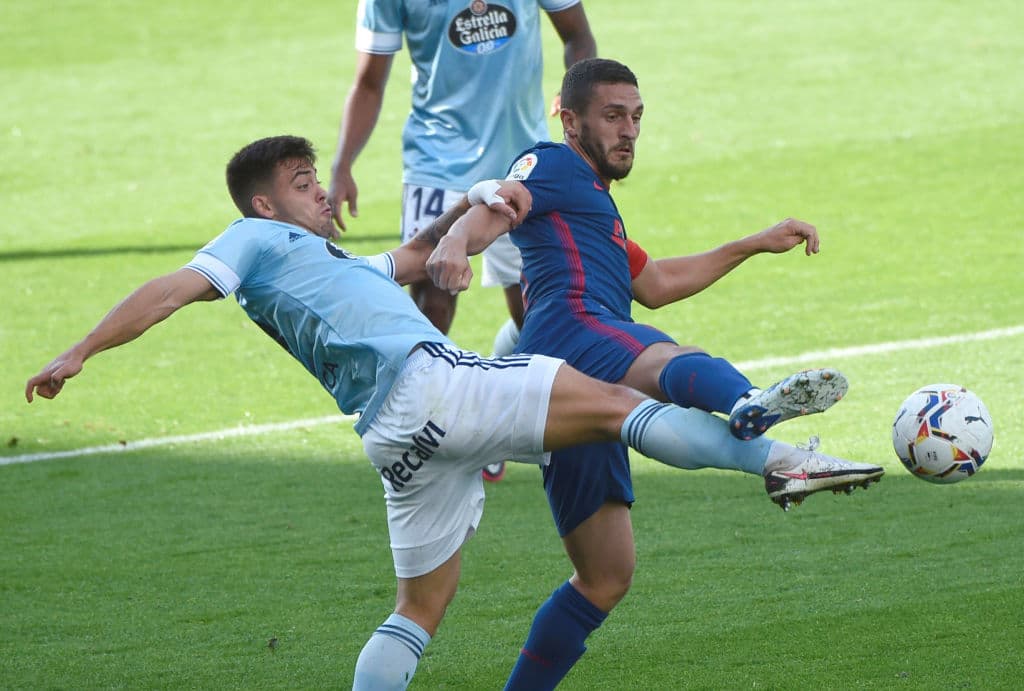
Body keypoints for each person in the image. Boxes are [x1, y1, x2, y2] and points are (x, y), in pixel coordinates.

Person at [24, 135, 877, 691]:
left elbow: (422, 254)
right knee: (619, 402)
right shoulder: (251, 243)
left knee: (418, 609)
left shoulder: (339, 265)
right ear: (263, 206)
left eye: (316, 179)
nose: (320, 192)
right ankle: (778, 460)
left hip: (397, 440)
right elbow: (171, 290)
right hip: (431, 385)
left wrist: (479, 204)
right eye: (301, 184)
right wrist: (81, 350)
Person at [426, 59, 886, 689]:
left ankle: (776, 453)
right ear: (570, 117)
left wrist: (752, 243)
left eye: (636, 116)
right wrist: (456, 241)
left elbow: (658, 283)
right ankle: (752, 406)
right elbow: (503, 202)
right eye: (613, 115)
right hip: (574, 337)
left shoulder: (597, 212)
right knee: (664, 357)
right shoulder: (552, 164)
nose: (629, 130)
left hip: (562, 384)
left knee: (605, 578)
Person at [330, 0, 597, 483]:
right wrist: (342, 164)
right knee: (431, 303)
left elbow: (577, 33)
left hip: (522, 164)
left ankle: (520, 423)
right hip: (437, 162)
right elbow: (370, 80)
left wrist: (572, 94)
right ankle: (424, 431)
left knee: (536, 313)